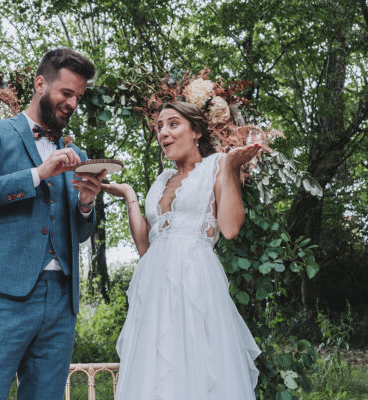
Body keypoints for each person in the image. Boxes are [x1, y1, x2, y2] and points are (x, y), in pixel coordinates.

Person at [0, 48, 106, 400]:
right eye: (66, 93)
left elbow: (80, 233)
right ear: (40, 83)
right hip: (0, 295)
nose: (72, 103)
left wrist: (85, 204)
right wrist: (38, 174)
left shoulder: (77, 155)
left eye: (78, 97)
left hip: (60, 301)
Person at [102, 101, 262, 399]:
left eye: (173, 124)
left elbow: (229, 228)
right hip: (153, 291)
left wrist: (229, 166)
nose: (163, 133)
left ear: (197, 130)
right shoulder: (161, 180)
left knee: (198, 366)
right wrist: (129, 194)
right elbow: (146, 246)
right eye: (159, 127)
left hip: (195, 283)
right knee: (156, 372)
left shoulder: (216, 166)